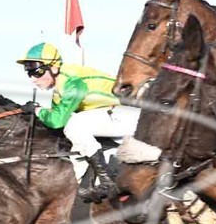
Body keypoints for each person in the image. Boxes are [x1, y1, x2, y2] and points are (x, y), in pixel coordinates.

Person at [16, 43, 139, 199]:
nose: (34, 79)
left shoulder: (73, 81)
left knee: (74, 125)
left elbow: (57, 121)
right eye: (29, 74)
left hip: (129, 114)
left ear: (54, 68)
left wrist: (37, 110)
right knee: (76, 149)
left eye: (37, 72)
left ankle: (107, 179)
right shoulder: (58, 91)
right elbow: (54, 120)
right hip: (110, 117)